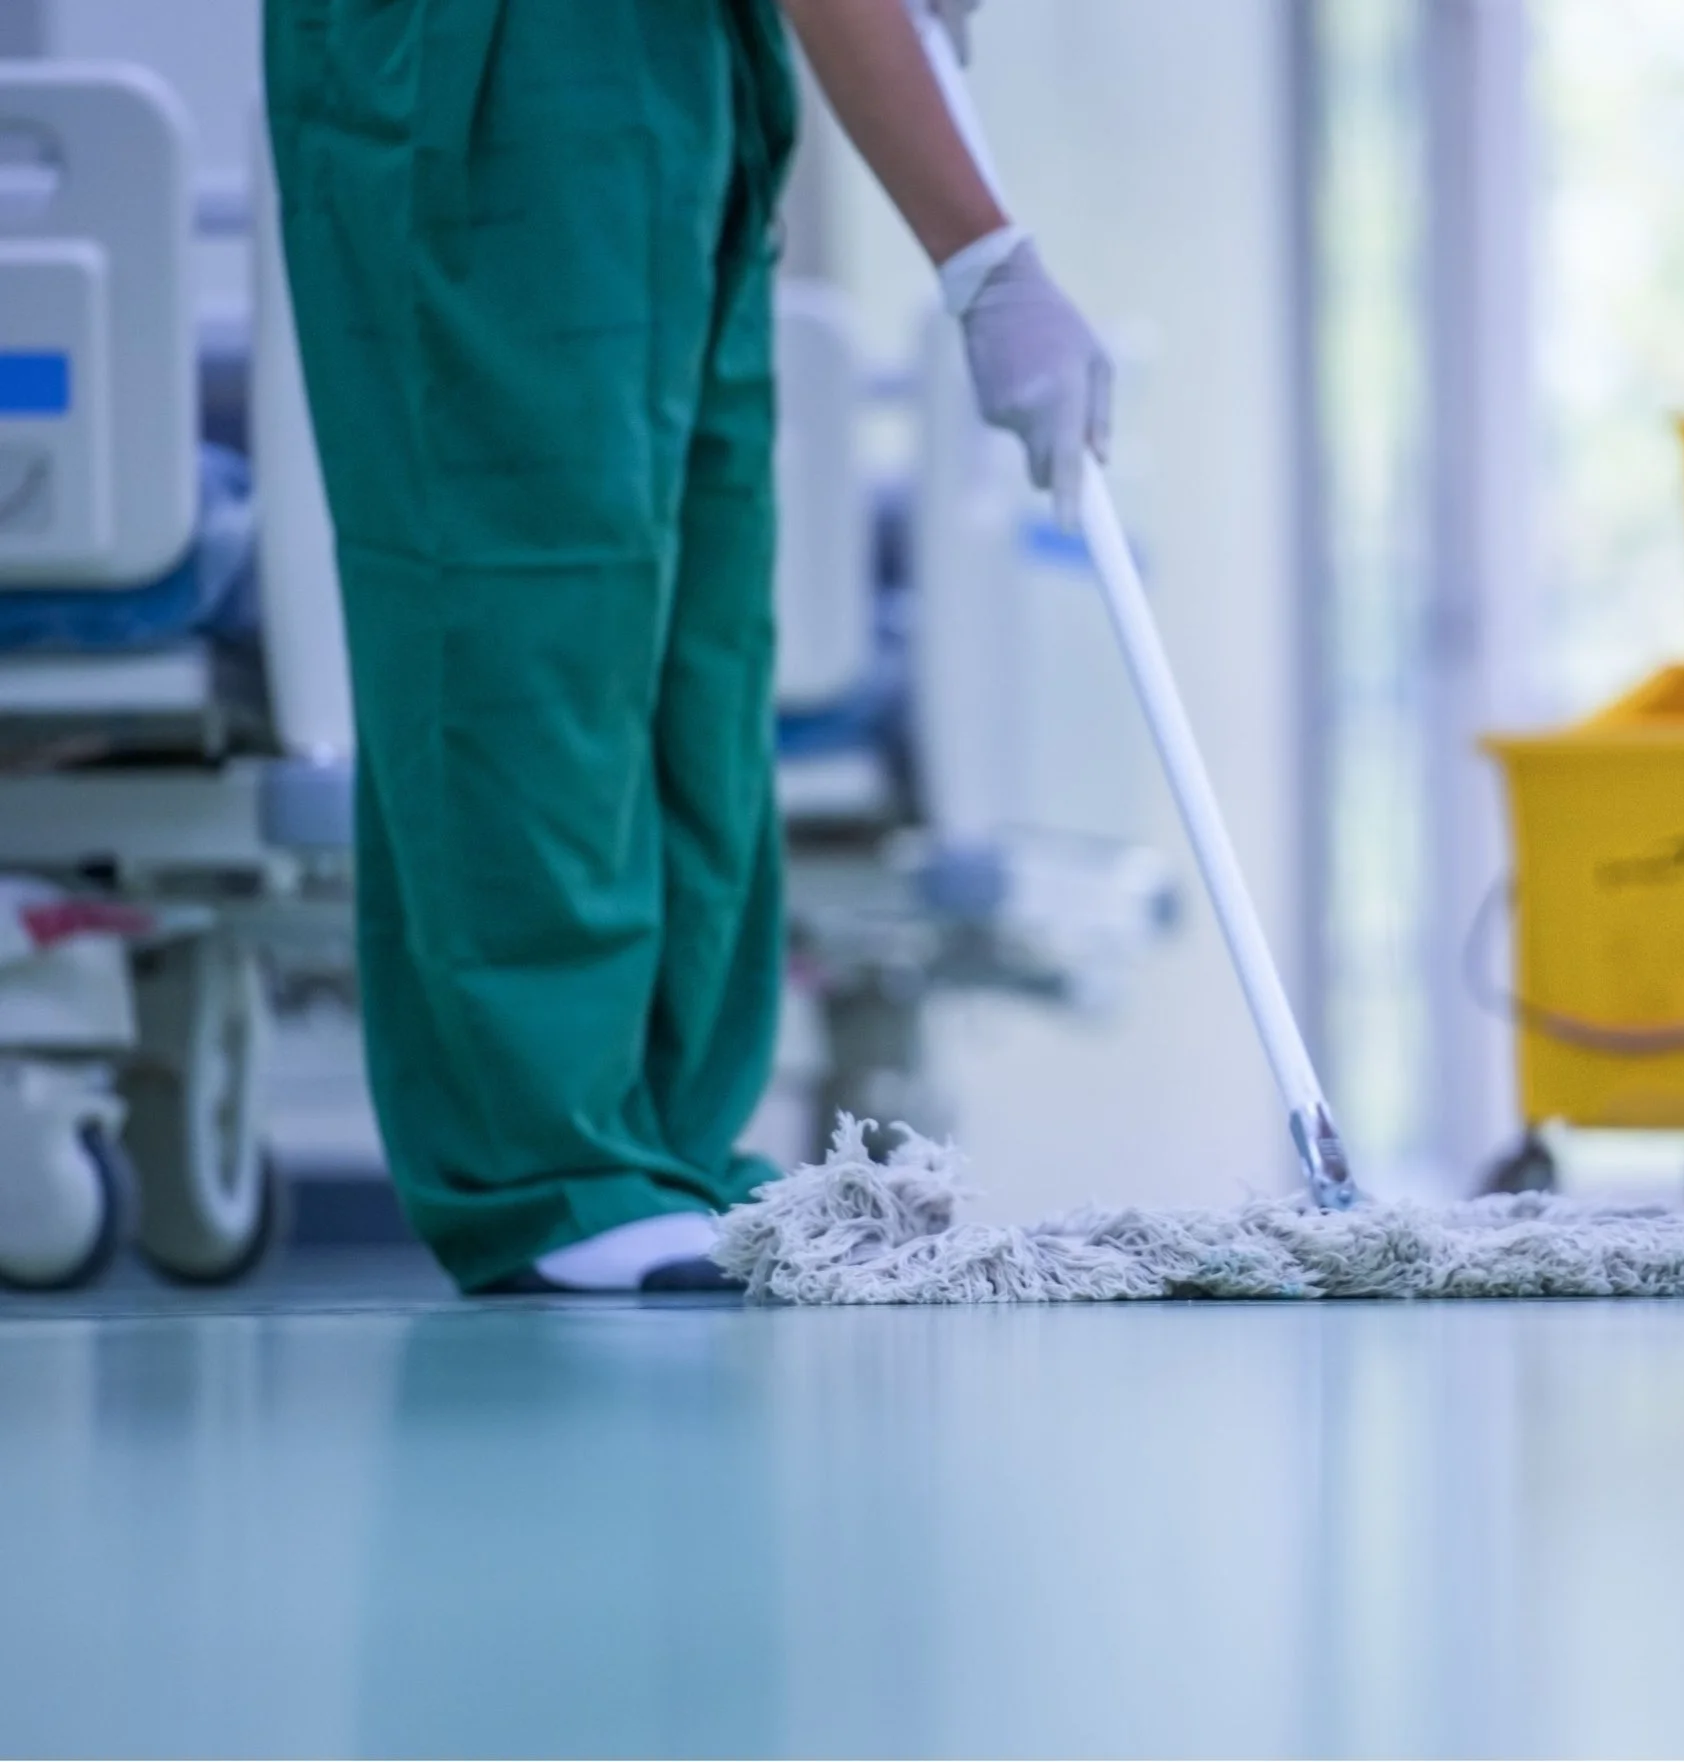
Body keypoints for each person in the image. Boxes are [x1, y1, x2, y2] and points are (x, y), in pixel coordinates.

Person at [264, 0, 1111, 1292]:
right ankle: (549, 1166)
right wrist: (980, 254)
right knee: (535, 594)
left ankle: (660, 1140)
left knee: (697, 625)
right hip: (489, 62)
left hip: (679, 60)